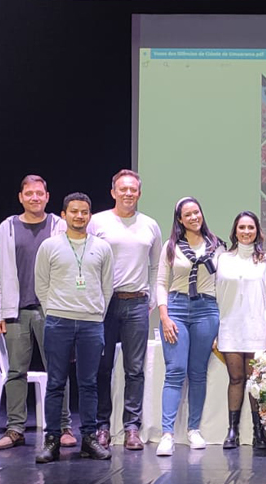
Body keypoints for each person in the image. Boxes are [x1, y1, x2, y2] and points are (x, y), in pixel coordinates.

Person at [0, 175, 77, 450]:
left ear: (47, 197)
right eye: (29, 194)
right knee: (16, 371)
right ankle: (15, 428)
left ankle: (62, 426)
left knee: (58, 369)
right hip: (16, 311)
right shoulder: (8, 227)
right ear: (21, 197)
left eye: (39, 193)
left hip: (52, 310)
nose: (35, 198)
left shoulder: (59, 225)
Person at [34, 193, 114, 463]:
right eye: (74, 211)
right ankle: (52, 439)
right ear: (64, 214)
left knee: (89, 383)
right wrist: (53, 311)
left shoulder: (102, 247)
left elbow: (107, 286)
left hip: (91, 322)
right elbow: (41, 285)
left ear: (89, 215)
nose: (79, 216)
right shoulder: (49, 246)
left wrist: (96, 313)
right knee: (56, 382)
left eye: (84, 212)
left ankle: (89, 439)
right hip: (58, 321)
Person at [89, 169, 162, 451]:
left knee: (135, 369)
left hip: (137, 302)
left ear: (139, 193)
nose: (128, 193)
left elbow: (156, 265)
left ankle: (132, 427)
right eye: (123, 189)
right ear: (113, 192)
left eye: (133, 189)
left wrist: (153, 297)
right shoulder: (98, 222)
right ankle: (102, 426)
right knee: (101, 367)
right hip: (104, 305)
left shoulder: (150, 225)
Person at [155, 197, 224, 456]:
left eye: (197, 212)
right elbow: (161, 282)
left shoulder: (217, 246)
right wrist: (164, 316)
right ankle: (167, 434)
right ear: (180, 220)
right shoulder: (171, 246)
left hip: (207, 309)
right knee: (175, 370)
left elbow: (222, 285)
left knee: (197, 372)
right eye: (188, 214)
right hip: (177, 309)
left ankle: (194, 429)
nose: (194, 217)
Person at [216, 211, 266, 450]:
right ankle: (232, 431)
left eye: (250, 227)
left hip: (257, 327)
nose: (246, 232)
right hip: (230, 326)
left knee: (255, 381)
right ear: (235, 231)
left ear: (257, 231)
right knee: (236, 378)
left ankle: (258, 431)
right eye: (241, 227)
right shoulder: (222, 259)